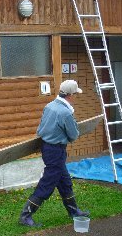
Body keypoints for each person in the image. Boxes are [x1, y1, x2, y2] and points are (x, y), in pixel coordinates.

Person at [19, 79, 89, 227]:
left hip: (47, 147)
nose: (76, 97)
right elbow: (73, 135)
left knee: (64, 181)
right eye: (76, 94)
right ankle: (26, 216)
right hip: (56, 150)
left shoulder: (49, 106)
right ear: (70, 95)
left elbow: (40, 129)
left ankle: (74, 211)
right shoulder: (65, 113)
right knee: (47, 184)